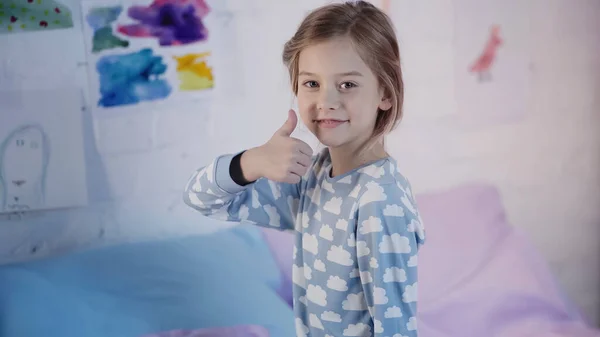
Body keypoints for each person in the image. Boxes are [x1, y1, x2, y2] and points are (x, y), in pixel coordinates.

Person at [183, 1, 425, 336]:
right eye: (312, 83)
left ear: (385, 92)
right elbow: (201, 198)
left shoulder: (379, 202)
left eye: (348, 85)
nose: (326, 100)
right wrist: (252, 161)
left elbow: (395, 328)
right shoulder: (313, 177)